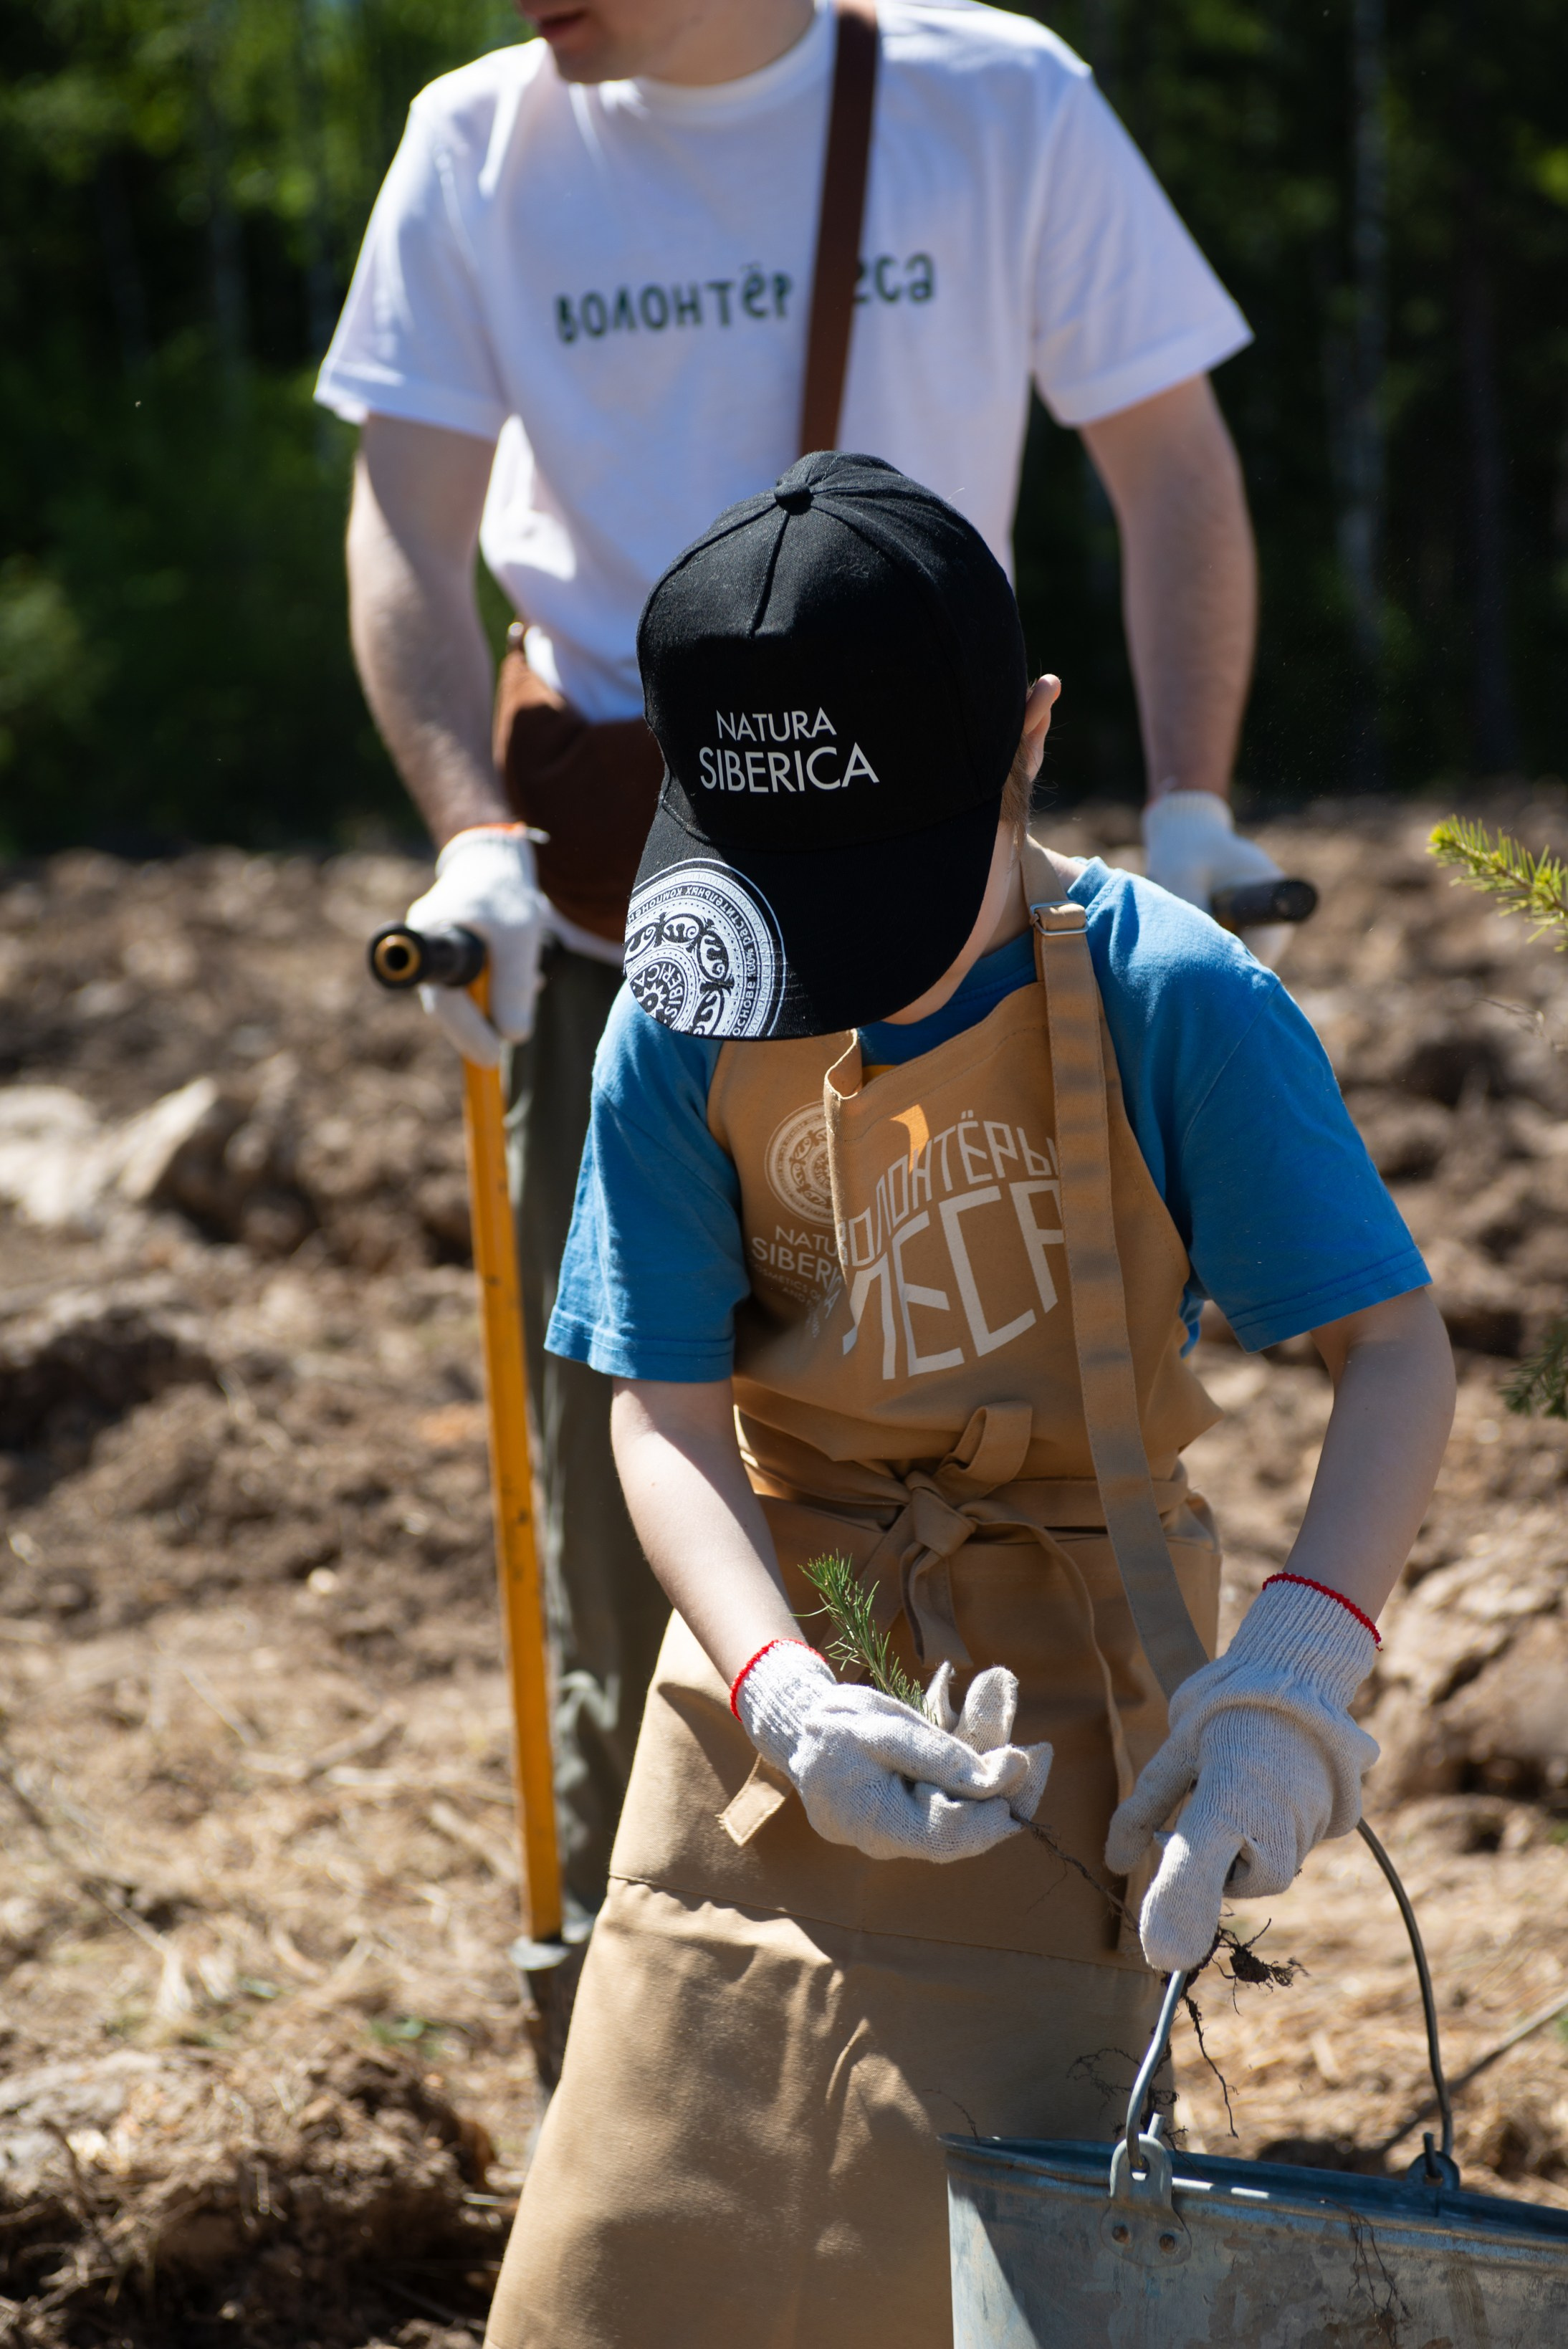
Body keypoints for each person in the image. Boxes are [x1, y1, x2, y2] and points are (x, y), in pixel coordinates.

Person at [479, 452, 1456, 2347]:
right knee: (643, 2236)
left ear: (1026, 740)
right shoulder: (686, 1011)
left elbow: (1391, 1352)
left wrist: (1291, 1680)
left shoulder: (1180, 1000)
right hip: (804, 1603)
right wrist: (788, 1689)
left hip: (1068, 1659)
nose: (830, 966)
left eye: (880, 894)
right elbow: (663, 1416)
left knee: (984, 2252)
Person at [316, 0, 1279, 1920]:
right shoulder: (476, 141)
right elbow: (408, 527)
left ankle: (1030, 1993)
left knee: (994, 1441)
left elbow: (1167, 463)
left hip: (935, 916)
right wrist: (470, 840)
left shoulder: (992, 102)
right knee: (635, 1494)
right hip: (619, 920)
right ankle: (647, 2000)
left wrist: (1189, 806)